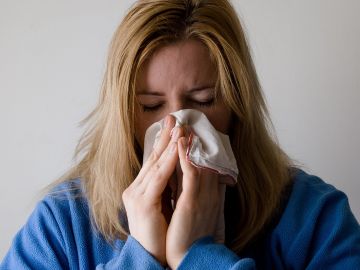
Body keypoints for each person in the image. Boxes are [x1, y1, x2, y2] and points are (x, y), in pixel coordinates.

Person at [1, 0, 360, 269]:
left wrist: (200, 254)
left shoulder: (315, 219)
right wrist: (142, 255)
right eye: (150, 106)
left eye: (202, 101)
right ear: (123, 114)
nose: (178, 129)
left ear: (237, 106)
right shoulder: (61, 227)